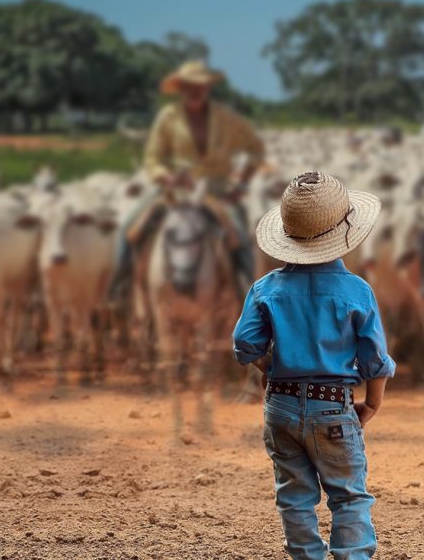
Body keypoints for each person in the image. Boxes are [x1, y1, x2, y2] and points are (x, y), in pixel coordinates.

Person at [233, 171, 395, 560]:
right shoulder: (357, 290)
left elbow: (244, 344)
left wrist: (272, 367)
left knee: (295, 496)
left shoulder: (265, 287)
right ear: (347, 231)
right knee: (349, 496)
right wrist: (371, 404)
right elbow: (375, 360)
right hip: (334, 408)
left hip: (281, 407)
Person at [125, 60, 264, 297]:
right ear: (180, 89)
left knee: (239, 236)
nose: (195, 91)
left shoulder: (226, 118)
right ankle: (121, 290)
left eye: (201, 86)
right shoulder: (168, 117)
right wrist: (166, 178)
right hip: (175, 192)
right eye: (189, 86)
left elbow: (255, 148)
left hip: (217, 192)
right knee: (129, 230)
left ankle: (249, 296)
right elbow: (152, 158)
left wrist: (241, 184)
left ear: (209, 88)